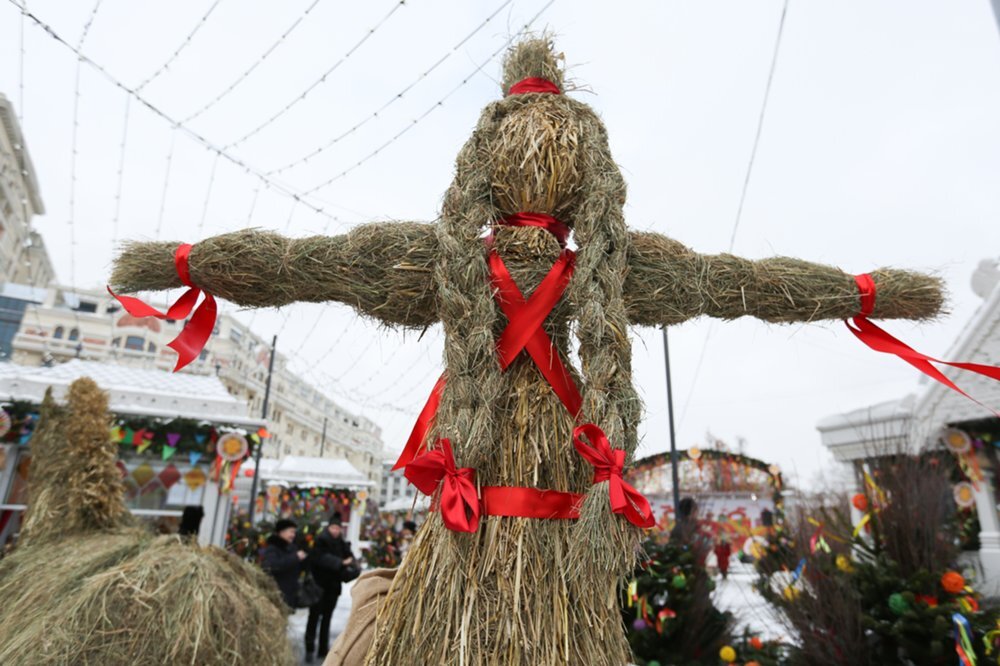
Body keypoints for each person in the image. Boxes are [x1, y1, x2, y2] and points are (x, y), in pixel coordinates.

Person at [306, 512, 355, 663]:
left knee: (327, 619)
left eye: (337, 528)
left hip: (333, 588)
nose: (335, 531)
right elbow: (320, 559)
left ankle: (322, 649)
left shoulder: (342, 543)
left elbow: (351, 559)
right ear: (329, 528)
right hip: (318, 586)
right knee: (314, 618)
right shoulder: (320, 541)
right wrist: (341, 562)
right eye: (333, 528)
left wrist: (350, 567)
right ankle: (309, 649)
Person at [261, 518, 306, 610]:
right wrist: (295, 557)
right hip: (276, 594)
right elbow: (272, 566)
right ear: (282, 532)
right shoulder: (273, 548)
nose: (293, 535)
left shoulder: (292, 547)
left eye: (294, 532)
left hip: (289, 594)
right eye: (291, 532)